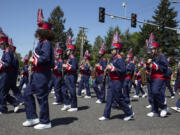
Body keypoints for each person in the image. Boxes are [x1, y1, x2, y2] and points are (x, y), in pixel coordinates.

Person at [22, 8, 55, 129]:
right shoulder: (40, 43)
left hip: (43, 73)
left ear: (44, 32)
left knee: (41, 97)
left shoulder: (46, 43)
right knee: (27, 94)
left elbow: (45, 58)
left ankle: (45, 121)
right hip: (37, 73)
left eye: (39, 30)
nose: (37, 32)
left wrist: (33, 60)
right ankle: (32, 117)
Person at [98, 31, 134, 121]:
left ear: (117, 50)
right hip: (111, 80)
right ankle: (106, 115)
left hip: (117, 81)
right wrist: (107, 69)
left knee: (119, 99)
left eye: (113, 49)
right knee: (109, 99)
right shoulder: (112, 58)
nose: (111, 50)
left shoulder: (120, 59)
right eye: (111, 49)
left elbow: (123, 71)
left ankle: (129, 113)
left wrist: (112, 68)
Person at [146, 33, 168, 118]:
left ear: (157, 49)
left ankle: (164, 107)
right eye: (151, 49)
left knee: (155, 91)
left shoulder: (161, 56)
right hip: (152, 77)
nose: (152, 51)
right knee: (152, 94)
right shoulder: (152, 57)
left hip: (159, 77)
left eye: (153, 49)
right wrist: (148, 65)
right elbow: (149, 69)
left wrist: (155, 66)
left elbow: (164, 67)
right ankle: (154, 110)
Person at [0, 28, 20, 114]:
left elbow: (8, 63)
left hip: (7, 74)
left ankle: (3, 108)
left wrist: (1, 64)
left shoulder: (7, 51)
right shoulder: (6, 51)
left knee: (2, 91)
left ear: (4, 43)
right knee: (2, 91)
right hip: (6, 73)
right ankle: (15, 102)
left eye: (0, 44)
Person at [61, 35, 78, 112]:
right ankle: (67, 103)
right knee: (63, 89)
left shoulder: (74, 58)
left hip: (72, 76)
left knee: (72, 91)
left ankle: (74, 106)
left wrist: (66, 66)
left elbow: (74, 68)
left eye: (68, 50)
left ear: (71, 51)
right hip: (68, 76)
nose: (66, 51)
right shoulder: (68, 59)